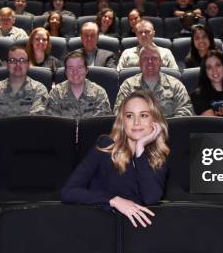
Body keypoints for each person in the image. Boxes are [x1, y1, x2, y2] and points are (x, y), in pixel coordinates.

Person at [61, 90, 169, 227]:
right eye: (129, 116)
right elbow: (68, 192)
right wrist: (114, 200)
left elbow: (151, 198)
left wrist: (140, 149)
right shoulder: (105, 147)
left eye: (144, 115)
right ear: (122, 121)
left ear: (154, 121)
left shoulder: (158, 157)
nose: (136, 122)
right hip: (100, 227)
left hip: (135, 233)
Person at [115, 44, 193, 117]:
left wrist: (162, 127)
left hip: (169, 130)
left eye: (154, 58)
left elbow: (186, 112)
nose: (150, 62)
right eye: (145, 59)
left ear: (160, 62)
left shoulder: (176, 85)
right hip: (137, 129)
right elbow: (119, 113)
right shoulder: (128, 85)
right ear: (139, 63)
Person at [0, 46, 48, 118]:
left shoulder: (39, 90)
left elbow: (37, 121)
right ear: (7, 65)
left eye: (22, 60)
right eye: (13, 60)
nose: (17, 65)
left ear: (28, 65)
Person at [46, 51, 112, 119]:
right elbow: (53, 125)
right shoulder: (56, 93)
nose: (75, 72)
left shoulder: (99, 93)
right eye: (70, 68)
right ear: (65, 72)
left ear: (86, 70)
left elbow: (102, 125)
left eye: (80, 67)